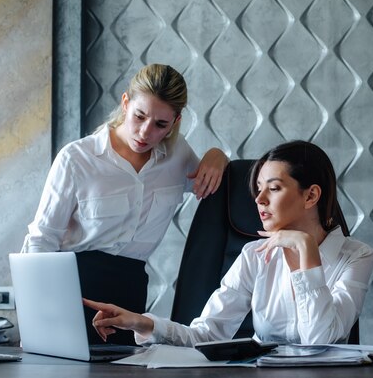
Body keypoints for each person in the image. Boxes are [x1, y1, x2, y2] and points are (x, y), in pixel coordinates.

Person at [83, 140, 373, 346]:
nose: (259, 200)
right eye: (258, 189)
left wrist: (307, 252)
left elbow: (320, 341)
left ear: (311, 196)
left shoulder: (357, 257)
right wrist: (141, 322)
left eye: (273, 188)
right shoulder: (253, 254)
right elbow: (207, 333)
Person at [21, 63, 229, 345]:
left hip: (130, 294)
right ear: (125, 103)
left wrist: (218, 156)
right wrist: (38, 316)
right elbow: (42, 239)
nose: (145, 133)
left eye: (160, 125)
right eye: (139, 116)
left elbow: (209, 183)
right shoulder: (77, 158)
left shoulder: (178, 155)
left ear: (176, 121)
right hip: (73, 290)